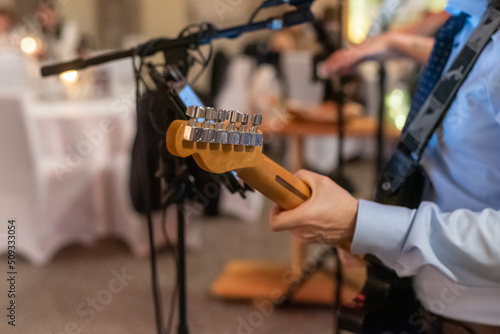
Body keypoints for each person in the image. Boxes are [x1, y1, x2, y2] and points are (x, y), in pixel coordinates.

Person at [270, 0, 500, 333]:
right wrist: (396, 44)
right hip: (426, 299)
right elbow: (477, 68)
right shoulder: (476, 17)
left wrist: (365, 225)